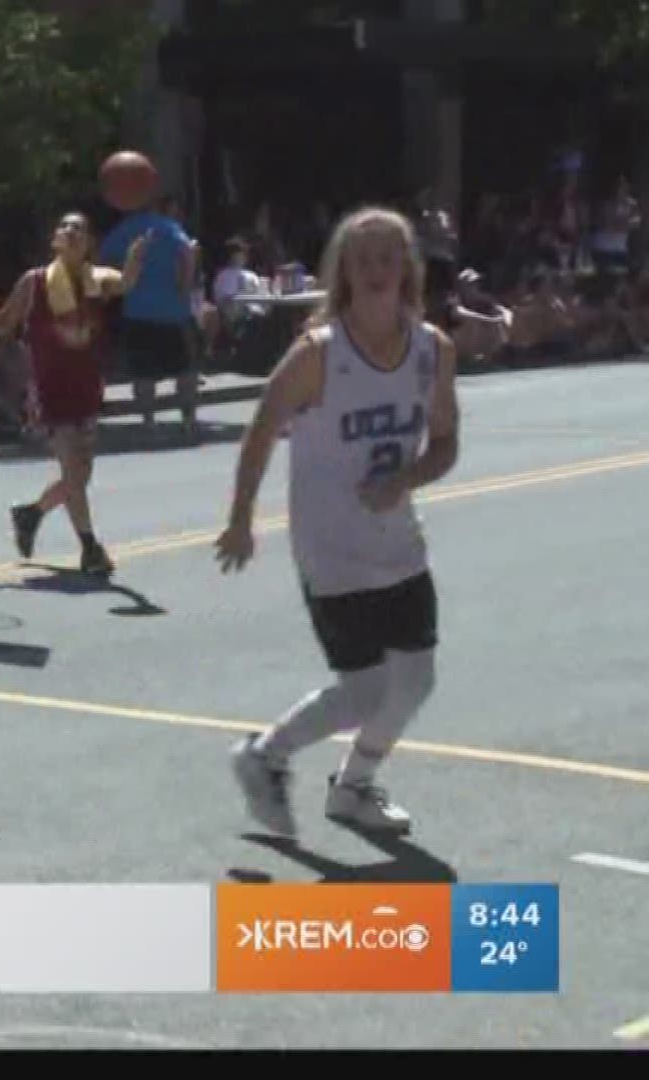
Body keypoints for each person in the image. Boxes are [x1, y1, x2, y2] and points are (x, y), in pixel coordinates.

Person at [217, 207, 460, 836]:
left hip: (400, 543)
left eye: (388, 259)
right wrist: (241, 518)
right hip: (331, 550)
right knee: (364, 690)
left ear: (407, 270)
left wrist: (404, 481)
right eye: (363, 260)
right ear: (344, 273)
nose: (377, 271)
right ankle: (264, 756)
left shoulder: (433, 349)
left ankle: (353, 786)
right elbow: (263, 426)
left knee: (416, 680)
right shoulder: (320, 353)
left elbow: (444, 444)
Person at [0, 212, 147, 575]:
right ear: (55, 240)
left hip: (85, 387)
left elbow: (127, 284)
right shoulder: (35, 281)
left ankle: (31, 513)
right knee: (72, 468)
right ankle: (90, 549)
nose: (71, 232)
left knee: (79, 477)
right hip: (50, 390)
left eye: (80, 229)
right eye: (65, 227)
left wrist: (134, 258)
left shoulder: (95, 280)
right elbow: (3, 325)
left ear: (88, 244)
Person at [100, 194, 199, 439]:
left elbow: (103, 258)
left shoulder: (126, 229)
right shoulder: (168, 226)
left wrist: (117, 283)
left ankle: (149, 423)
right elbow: (188, 254)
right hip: (175, 311)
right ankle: (188, 420)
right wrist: (185, 288)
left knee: (143, 373)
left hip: (138, 311)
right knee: (186, 369)